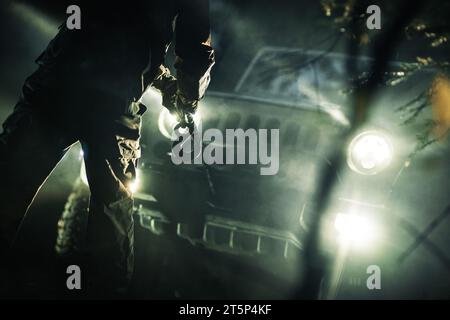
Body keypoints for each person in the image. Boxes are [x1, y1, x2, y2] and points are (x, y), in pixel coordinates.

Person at [0, 0, 214, 294]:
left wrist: (162, 82)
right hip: (111, 103)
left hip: (59, 81)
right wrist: (187, 100)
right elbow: (193, 49)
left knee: (8, 184)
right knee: (111, 217)